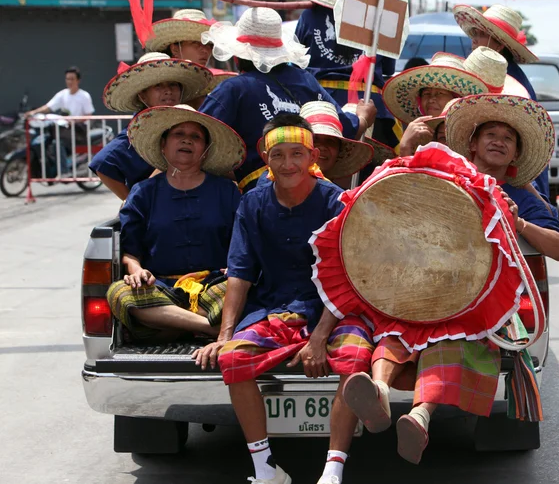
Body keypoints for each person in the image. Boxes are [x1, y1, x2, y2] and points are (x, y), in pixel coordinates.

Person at [341, 93, 559, 465]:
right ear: (473, 144)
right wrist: (404, 149)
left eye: (508, 138)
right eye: (490, 133)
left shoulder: (525, 199)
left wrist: (520, 224)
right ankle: (378, 392)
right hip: (424, 288)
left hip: (487, 303)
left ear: (514, 156)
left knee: (458, 336)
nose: (498, 141)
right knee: (395, 326)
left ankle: (420, 416)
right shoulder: (438, 174)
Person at [193, 114, 374, 484]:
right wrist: (224, 334)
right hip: (276, 305)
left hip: (333, 309)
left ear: (312, 157)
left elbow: (347, 276)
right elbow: (240, 272)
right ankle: (265, 470)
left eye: (297, 154)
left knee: (355, 358)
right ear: (265, 156)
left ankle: (332, 472)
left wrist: (320, 337)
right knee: (232, 359)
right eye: (279, 155)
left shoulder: (337, 202)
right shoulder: (253, 203)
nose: (288, 164)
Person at [199, 7, 377, 193]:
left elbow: (200, 136)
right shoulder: (305, 79)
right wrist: (362, 118)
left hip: (259, 193)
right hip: (310, 188)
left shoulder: (232, 89)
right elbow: (344, 127)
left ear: (237, 57)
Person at [106, 104, 246, 341]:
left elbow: (243, 244)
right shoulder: (143, 192)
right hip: (162, 288)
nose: (187, 141)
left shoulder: (228, 192)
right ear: (163, 144)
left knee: (245, 288)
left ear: (205, 149)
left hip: (214, 287)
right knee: (119, 292)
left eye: (195, 137)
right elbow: (130, 252)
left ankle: (170, 325)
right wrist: (137, 271)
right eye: (178, 134)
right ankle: (208, 328)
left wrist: (235, 269)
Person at [292, 0, 401, 153]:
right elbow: (388, 68)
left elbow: (296, 61)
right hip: (368, 102)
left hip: (319, 102)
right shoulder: (381, 18)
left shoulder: (309, 16)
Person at [453, 4, 550, 198]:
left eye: (481, 34)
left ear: (499, 45)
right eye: (474, 33)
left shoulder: (513, 86)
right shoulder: (491, 75)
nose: (474, 40)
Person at [89, 53, 212, 200]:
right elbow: (102, 164)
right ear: (143, 96)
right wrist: (132, 201)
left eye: (173, 84)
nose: (168, 91)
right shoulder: (138, 130)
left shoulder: (186, 122)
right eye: (158, 86)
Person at [383, 50, 489, 157]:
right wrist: (405, 147)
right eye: (426, 93)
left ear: (456, 100)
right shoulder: (413, 135)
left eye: (440, 93)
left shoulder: (471, 137)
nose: (431, 99)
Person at [256, 101, 374, 189]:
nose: (321, 147)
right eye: (315, 140)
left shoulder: (334, 196)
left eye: (330, 141)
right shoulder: (272, 181)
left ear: (339, 151)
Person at [25, 66, 94, 118]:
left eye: (72, 79)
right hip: (64, 129)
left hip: (79, 131)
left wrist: (74, 121)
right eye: (67, 79)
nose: (69, 82)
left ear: (78, 80)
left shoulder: (85, 96)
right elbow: (48, 107)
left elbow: (88, 115)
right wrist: (33, 112)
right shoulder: (62, 94)